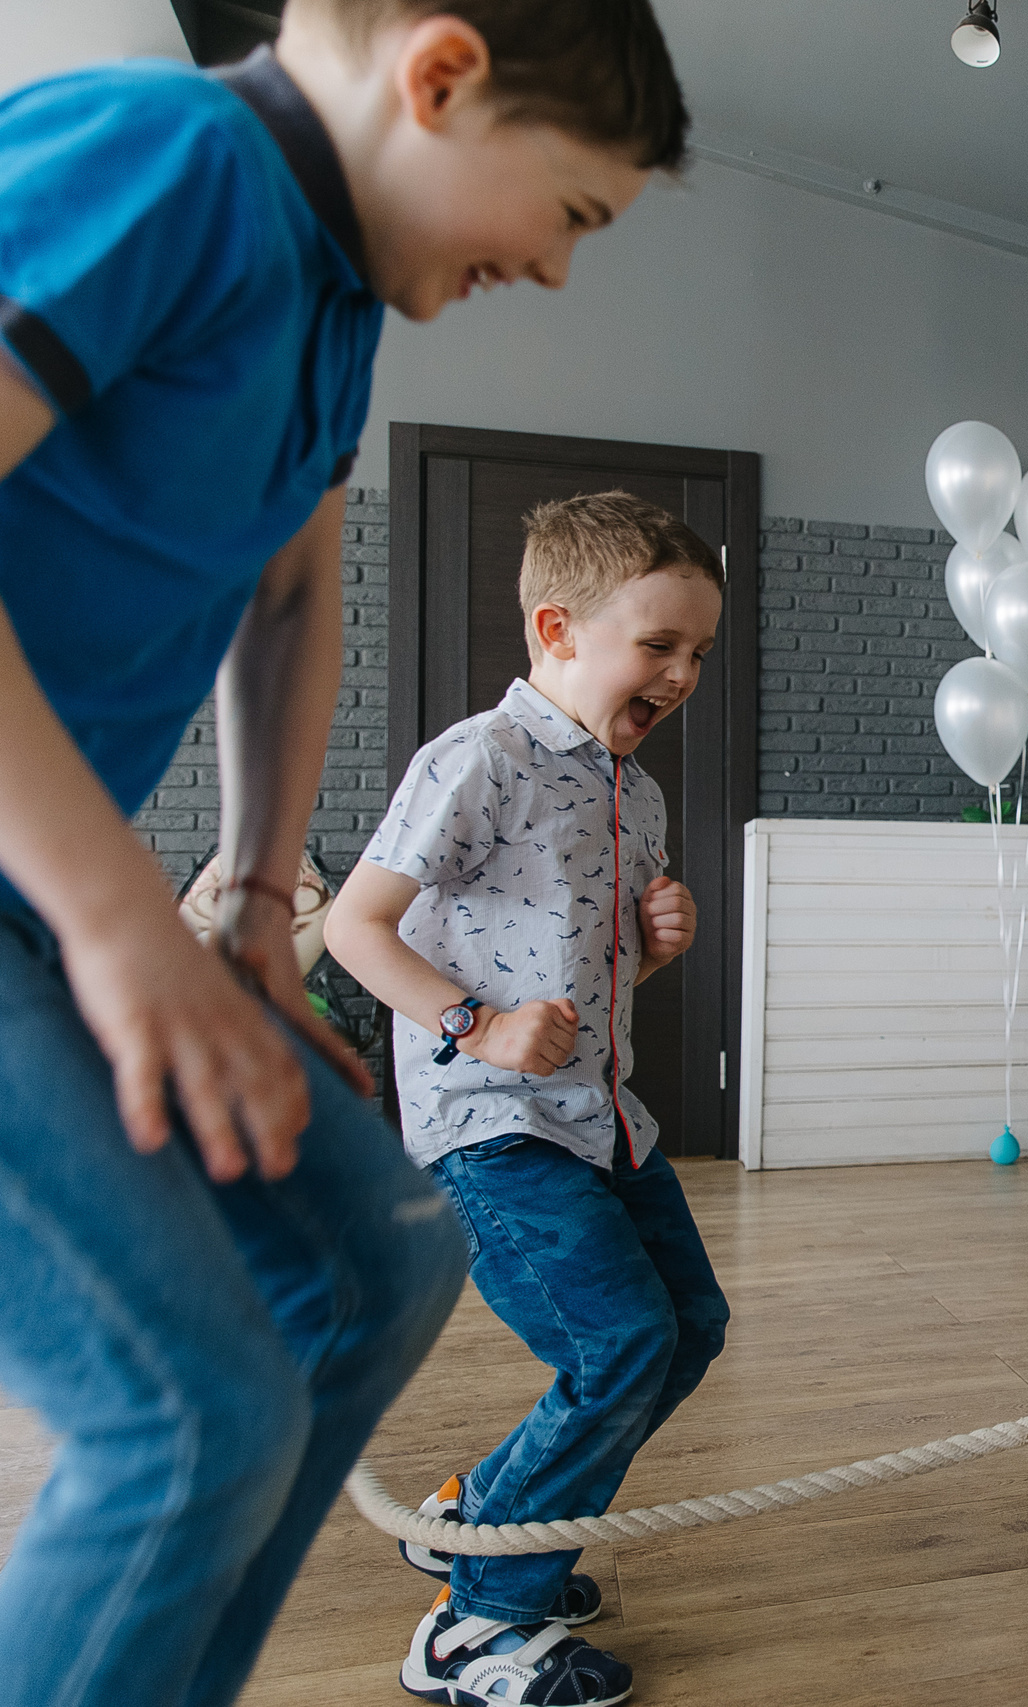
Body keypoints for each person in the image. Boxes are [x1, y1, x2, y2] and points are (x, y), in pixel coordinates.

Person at [0, 1, 681, 1700]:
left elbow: (295, 588)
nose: (558, 270)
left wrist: (243, 899)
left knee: (379, 1259)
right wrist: (115, 919)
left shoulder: (330, 308)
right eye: (573, 213)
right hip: (31, 900)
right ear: (440, 81)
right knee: (191, 1413)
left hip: (33, 902)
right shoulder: (167, 162)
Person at [326, 492, 727, 1705]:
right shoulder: (478, 761)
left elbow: (573, 961)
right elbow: (355, 926)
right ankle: (479, 1628)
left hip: (600, 1121)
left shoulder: (631, 788)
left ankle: (484, 1519)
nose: (682, 672)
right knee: (618, 1346)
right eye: (658, 645)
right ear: (558, 631)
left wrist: (655, 945)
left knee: (687, 1330)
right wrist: (473, 1024)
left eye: (698, 652)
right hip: (493, 1132)